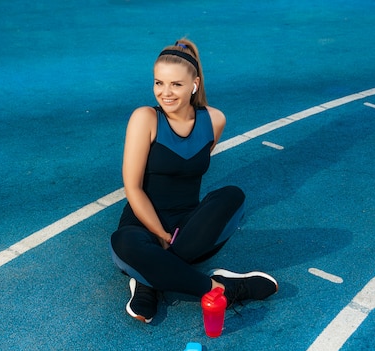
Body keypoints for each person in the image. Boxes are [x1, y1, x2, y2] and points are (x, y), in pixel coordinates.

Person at [110, 38, 278, 323]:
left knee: (232, 195)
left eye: (176, 84)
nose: (165, 93)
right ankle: (224, 288)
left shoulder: (215, 120)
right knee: (123, 243)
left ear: (195, 84)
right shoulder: (145, 118)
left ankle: (150, 279)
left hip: (189, 230)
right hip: (142, 223)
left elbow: (189, 166)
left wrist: (172, 239)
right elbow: (133, 188)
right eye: (158, 83)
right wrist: (160, 235)